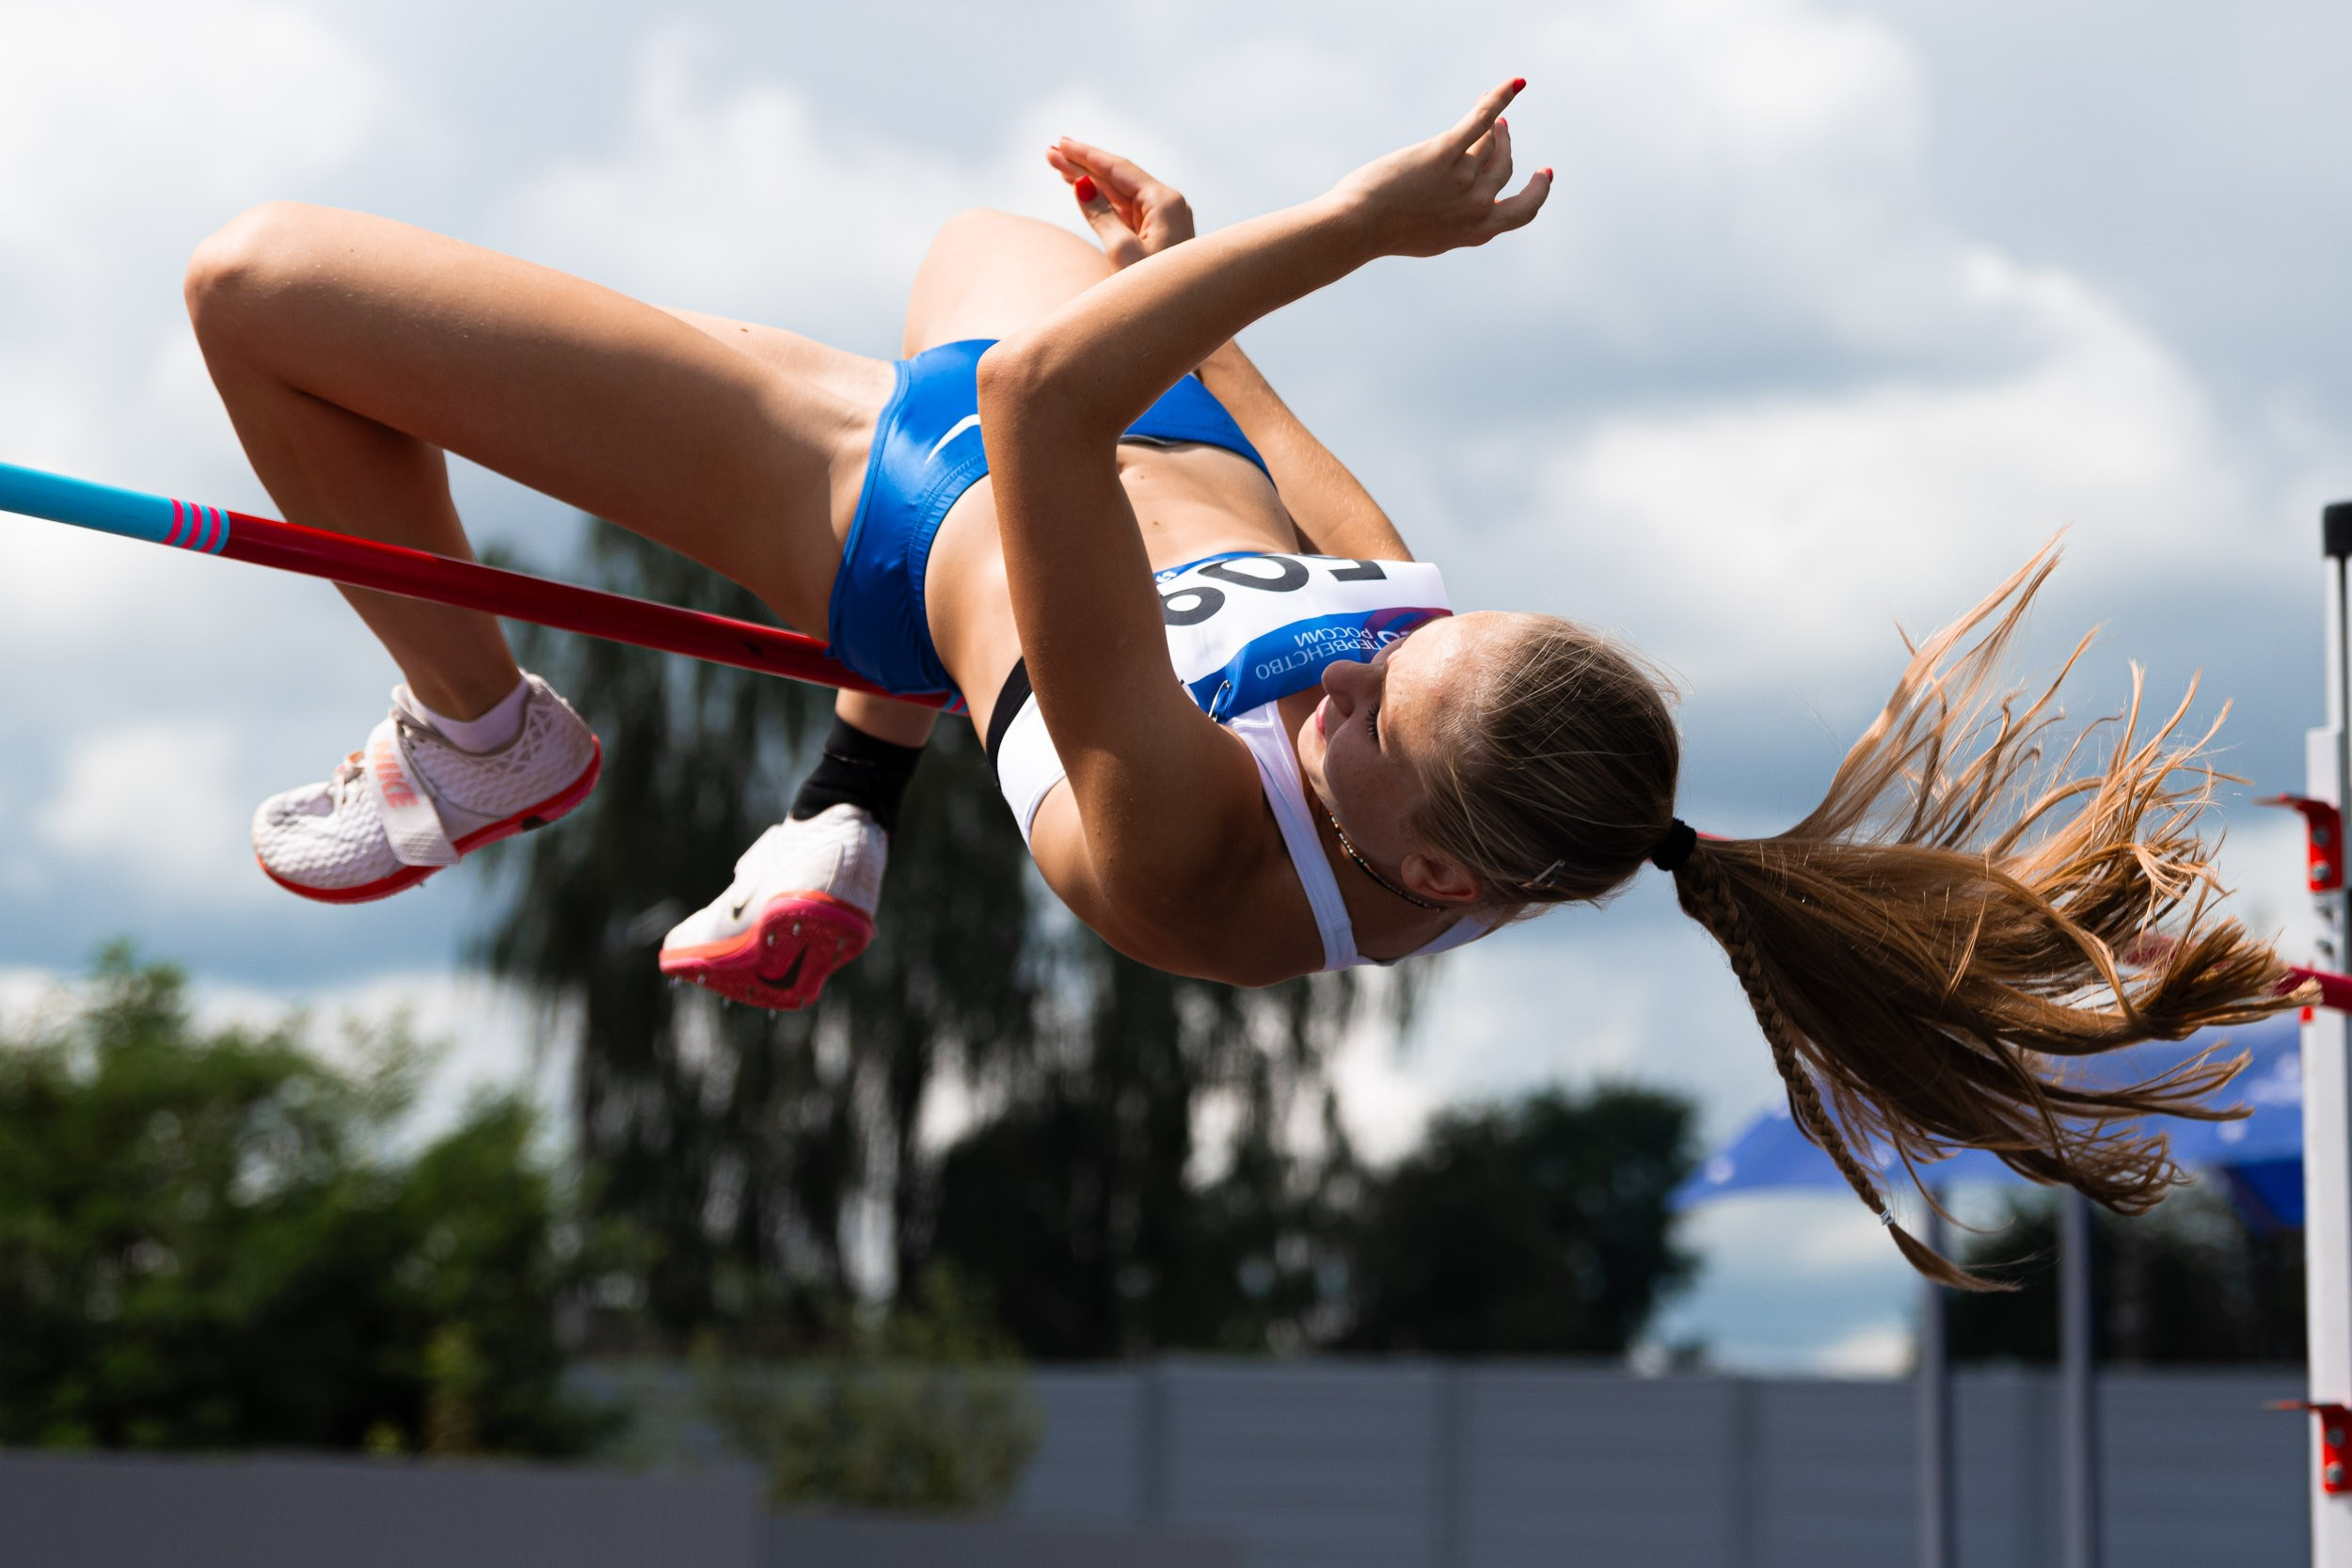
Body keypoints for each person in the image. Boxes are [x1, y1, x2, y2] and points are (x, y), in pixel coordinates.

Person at [183, 80, 2301, 1287]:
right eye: (1425, 630)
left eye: (1380, 687)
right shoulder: (1430, 692)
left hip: (877, 495)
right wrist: (1177, 261)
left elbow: (1026, 408)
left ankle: (487, 733)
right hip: (1126, 437)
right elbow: (1241, 426)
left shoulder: (1200, 855)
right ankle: (853, 787)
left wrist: (1347, 222)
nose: (1371, 649)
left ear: (1425, 872)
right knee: (966, 235)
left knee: (258, 288)